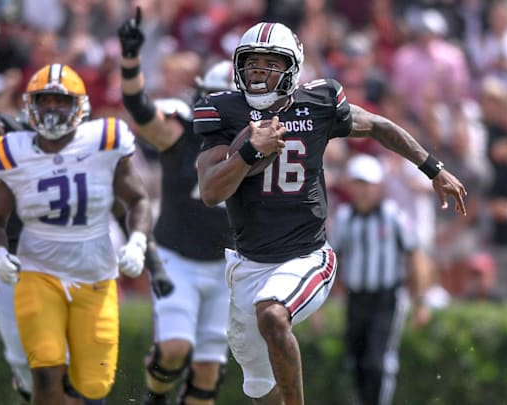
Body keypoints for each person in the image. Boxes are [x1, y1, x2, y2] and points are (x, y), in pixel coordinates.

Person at [194, 22, 467, 405]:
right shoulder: (223, 110)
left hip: (306, 255)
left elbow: (379, 126)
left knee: (272, 316)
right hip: (247, 263)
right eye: (251, 62)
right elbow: (210, 191)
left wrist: (433, 169)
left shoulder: (318, 102)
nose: (258, 71)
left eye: (270, 63)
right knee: (259, 388)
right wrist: (249, 153)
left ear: (292, 68)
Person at [0, 28, 171, 404]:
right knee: (41, 370)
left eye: (61, 102)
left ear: (80, 107)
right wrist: (0, 253)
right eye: (45, 102)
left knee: (92, 385)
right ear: (29, 106)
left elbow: (135, 199)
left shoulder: (103, 140)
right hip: (32, 268)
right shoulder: (12, 145)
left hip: (92, 271)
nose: (53, 111)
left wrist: (140, 245)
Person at [119, 9, 234, 404]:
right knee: (173, 349)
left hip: (226, 264)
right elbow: (139, 110)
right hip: (178, 257)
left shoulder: (261, 143)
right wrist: (131, 62)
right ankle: (156, 398)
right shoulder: (181, 132)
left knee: (207, 370)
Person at [330, 154, 431, 405]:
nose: (363, 191)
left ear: (378, 186)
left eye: (368, 184)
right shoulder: (344, 218)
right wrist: (321, 302)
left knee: (379, 361)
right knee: (356, 360)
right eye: (358, 184)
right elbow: (333, 260)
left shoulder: (393, 215)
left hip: (386, 298)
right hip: (356, 297)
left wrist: (420, 300)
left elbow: (415, 256)